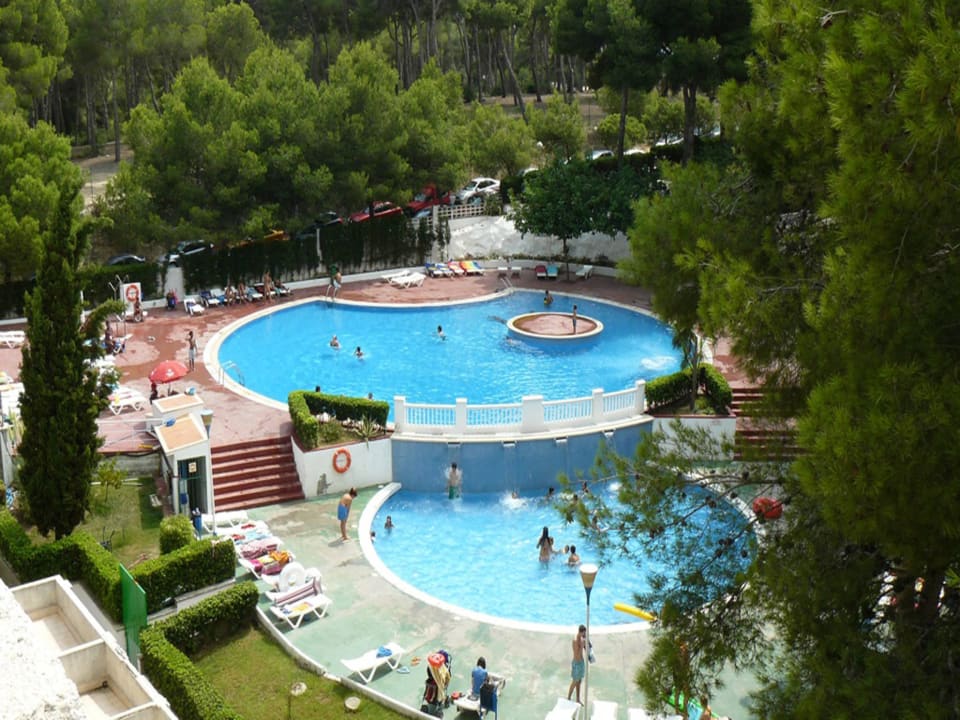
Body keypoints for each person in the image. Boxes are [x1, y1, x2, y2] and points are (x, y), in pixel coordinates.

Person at [567, 625, 587, 704]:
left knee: (579, 681)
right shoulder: (575, 640)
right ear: (581, 632)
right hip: (576, 663)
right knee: (575, 681)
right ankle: (568, 698)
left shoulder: (582, 639)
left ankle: (578, 699)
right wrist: (582, 646)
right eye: (584, 633)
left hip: (581, 663)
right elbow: (577, 655)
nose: (584, 635)